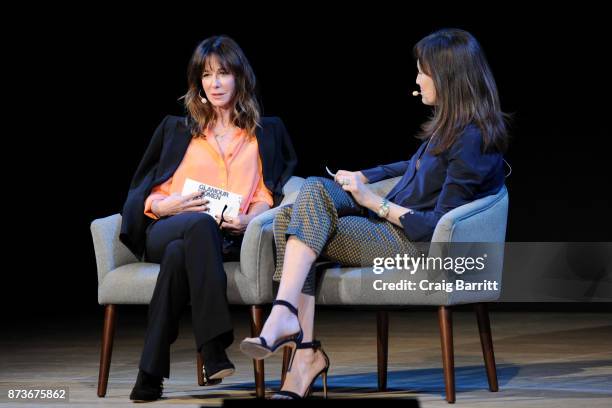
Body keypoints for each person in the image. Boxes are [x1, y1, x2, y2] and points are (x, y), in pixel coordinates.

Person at [240, 28, 509, 399]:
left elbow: (434, 228)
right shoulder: (453, 126)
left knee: (290, 221)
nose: (416, 79)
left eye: (422, 71)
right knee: (315, 189)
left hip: (416, 246)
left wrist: (372, 201)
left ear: (447, 76)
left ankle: (299, 346)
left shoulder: (471, 138)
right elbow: (414, 165)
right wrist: (368, 175)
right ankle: (296, 341)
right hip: (392, 229)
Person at [119, 35, 297, 401]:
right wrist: (163, 206)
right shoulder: (176, 129)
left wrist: (253, 218)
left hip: (224, 238)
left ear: (239, 78)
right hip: (167, 225)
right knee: (194, 227)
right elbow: (148, 188)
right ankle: (213, 347)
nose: (215, 83)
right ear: (197, 82)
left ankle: (149, 371)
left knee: (179, 257)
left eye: (223, 73)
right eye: (206, 75)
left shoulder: (264, 132)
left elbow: (268, 189)